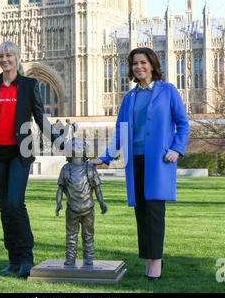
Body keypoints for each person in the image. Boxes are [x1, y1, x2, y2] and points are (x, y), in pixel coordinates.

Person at [90, 47, 189, 280]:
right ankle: (148, 260)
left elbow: (183, 123)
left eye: (143, 62)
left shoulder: (168, 91)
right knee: (141, 213)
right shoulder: (129, 97)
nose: (139, 67)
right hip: (134, 161)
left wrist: (176, 148)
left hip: (159, 161)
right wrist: (105, 157)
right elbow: (120, 131)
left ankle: (156, 263)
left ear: (153, 65)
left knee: (155, 212)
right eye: (135, 63)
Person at [0, 41, 64, 278]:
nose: (5, 59)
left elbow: (40, 117)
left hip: (20, 152)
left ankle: (26, 257)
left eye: (9, 55)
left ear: (17, 58)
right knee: (4, 207)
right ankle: (13, 259)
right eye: (1, 56)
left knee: (16, 203)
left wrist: (60, 142)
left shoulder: (29, 85)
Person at [55, 138, 107, 266]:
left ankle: (88, 258)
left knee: (88, 235)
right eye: (74, 145)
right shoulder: (66, 169)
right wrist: (58, 203)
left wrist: (102, 202)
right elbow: (60, 189)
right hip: (72, 209)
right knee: (71, 235)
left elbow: (97, 188)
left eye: (80, 145)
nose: (77, 147)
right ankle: (70, 258)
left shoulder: (90, 168)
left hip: (88, 209)